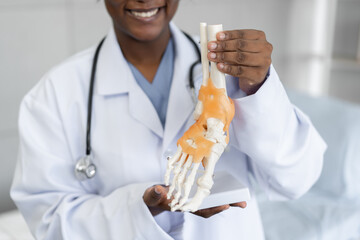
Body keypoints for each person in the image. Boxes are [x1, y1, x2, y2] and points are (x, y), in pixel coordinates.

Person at [10, 0, 326, 239]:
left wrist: (259, 91)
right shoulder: (55, 94)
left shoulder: (230, 71)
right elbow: (49, 221)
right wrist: (143, 208)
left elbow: (297, 179)